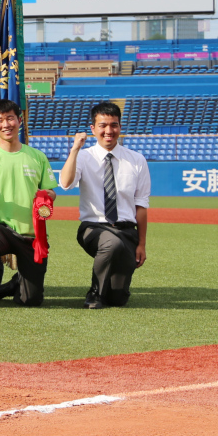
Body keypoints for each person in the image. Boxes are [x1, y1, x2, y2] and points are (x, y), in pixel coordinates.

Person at [0, 99, 58, 310]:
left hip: (31, 234)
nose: (6, 124)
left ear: (19, 121)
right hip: (1, 228)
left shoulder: (37, 157)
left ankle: (16, 283)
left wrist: (46, 197)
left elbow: (51, 191)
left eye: (10, 118)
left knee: (31, 300)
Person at [59, 101, 150, 309]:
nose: (109, 131)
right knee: (112, 243)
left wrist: (142, 244)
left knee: (118, 299)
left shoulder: (137, 160)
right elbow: (65, 183)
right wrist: (74, 149)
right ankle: (94, 292)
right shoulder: (83, 156)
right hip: (93, 228)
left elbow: (141, 206)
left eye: (114, 125)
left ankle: (107, 292)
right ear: (93, 128)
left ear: (120, 126)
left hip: (127, 232)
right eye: (103, 125)